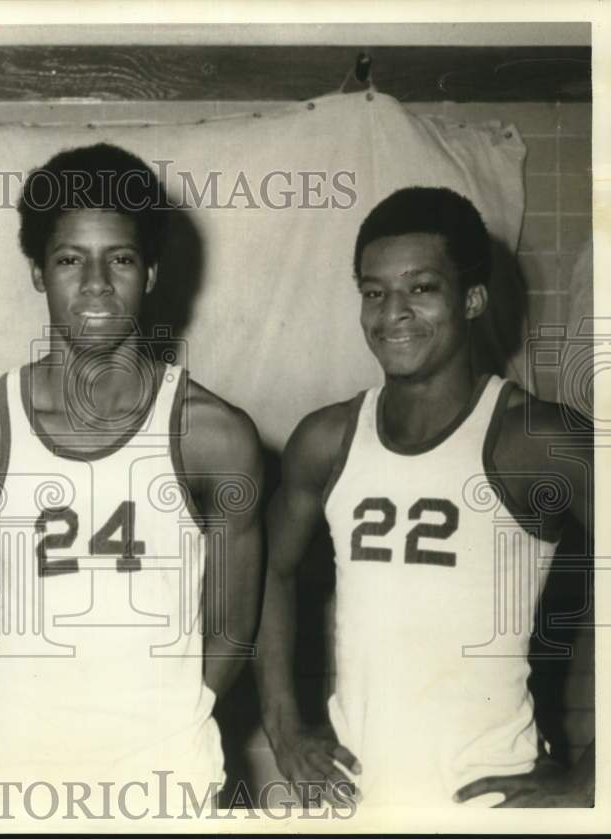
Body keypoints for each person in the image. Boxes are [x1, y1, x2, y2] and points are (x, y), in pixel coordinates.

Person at [0, 143, 264, 813]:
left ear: (150, 271)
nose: (93, 284)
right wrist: (26, 724)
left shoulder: (213, 433)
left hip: (168, 780)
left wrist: (172, 722)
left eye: (118, 258)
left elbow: (231, 625)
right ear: (37, 272)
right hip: (19, 783)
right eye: (68, 260)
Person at [255, 186, 595, 808]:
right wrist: (283, 728)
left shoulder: (536, 439)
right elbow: (270, 571)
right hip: (357, 799)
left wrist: (590, 779)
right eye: (374, 292)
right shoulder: (327, 440)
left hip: (487, 799)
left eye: (421, 288)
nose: (393, 313)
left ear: (472, 299)